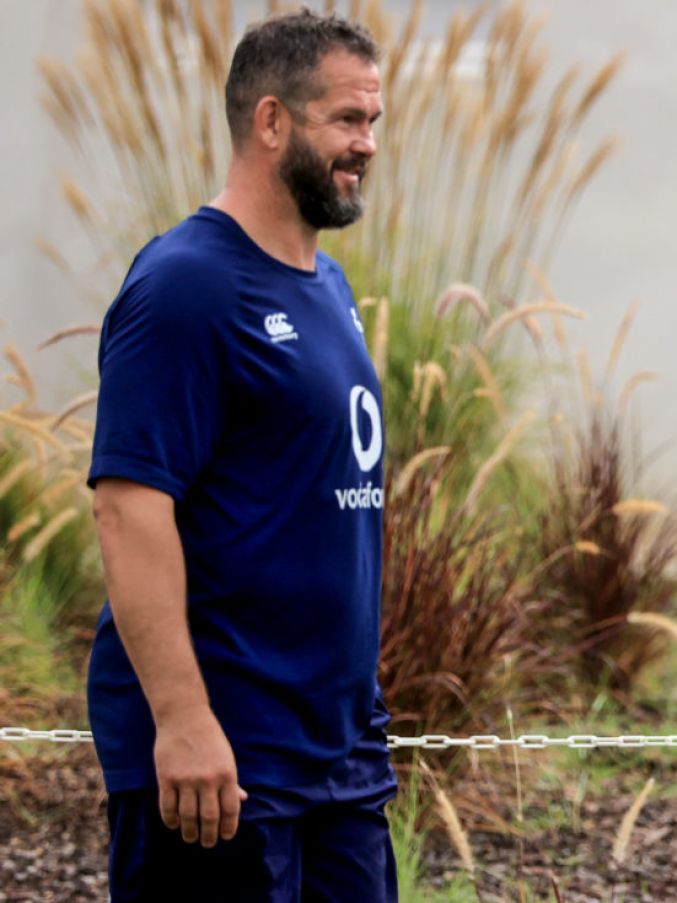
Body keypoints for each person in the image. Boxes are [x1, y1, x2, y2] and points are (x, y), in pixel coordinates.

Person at [87, 10, 396, 901]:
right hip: (220, 772)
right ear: (270, 121)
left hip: (338, 761)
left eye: (373, 121)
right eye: (346, 119)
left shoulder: (329, 287)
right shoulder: (185, 285)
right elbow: (128, 506)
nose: (367, 143)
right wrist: (182, 721)